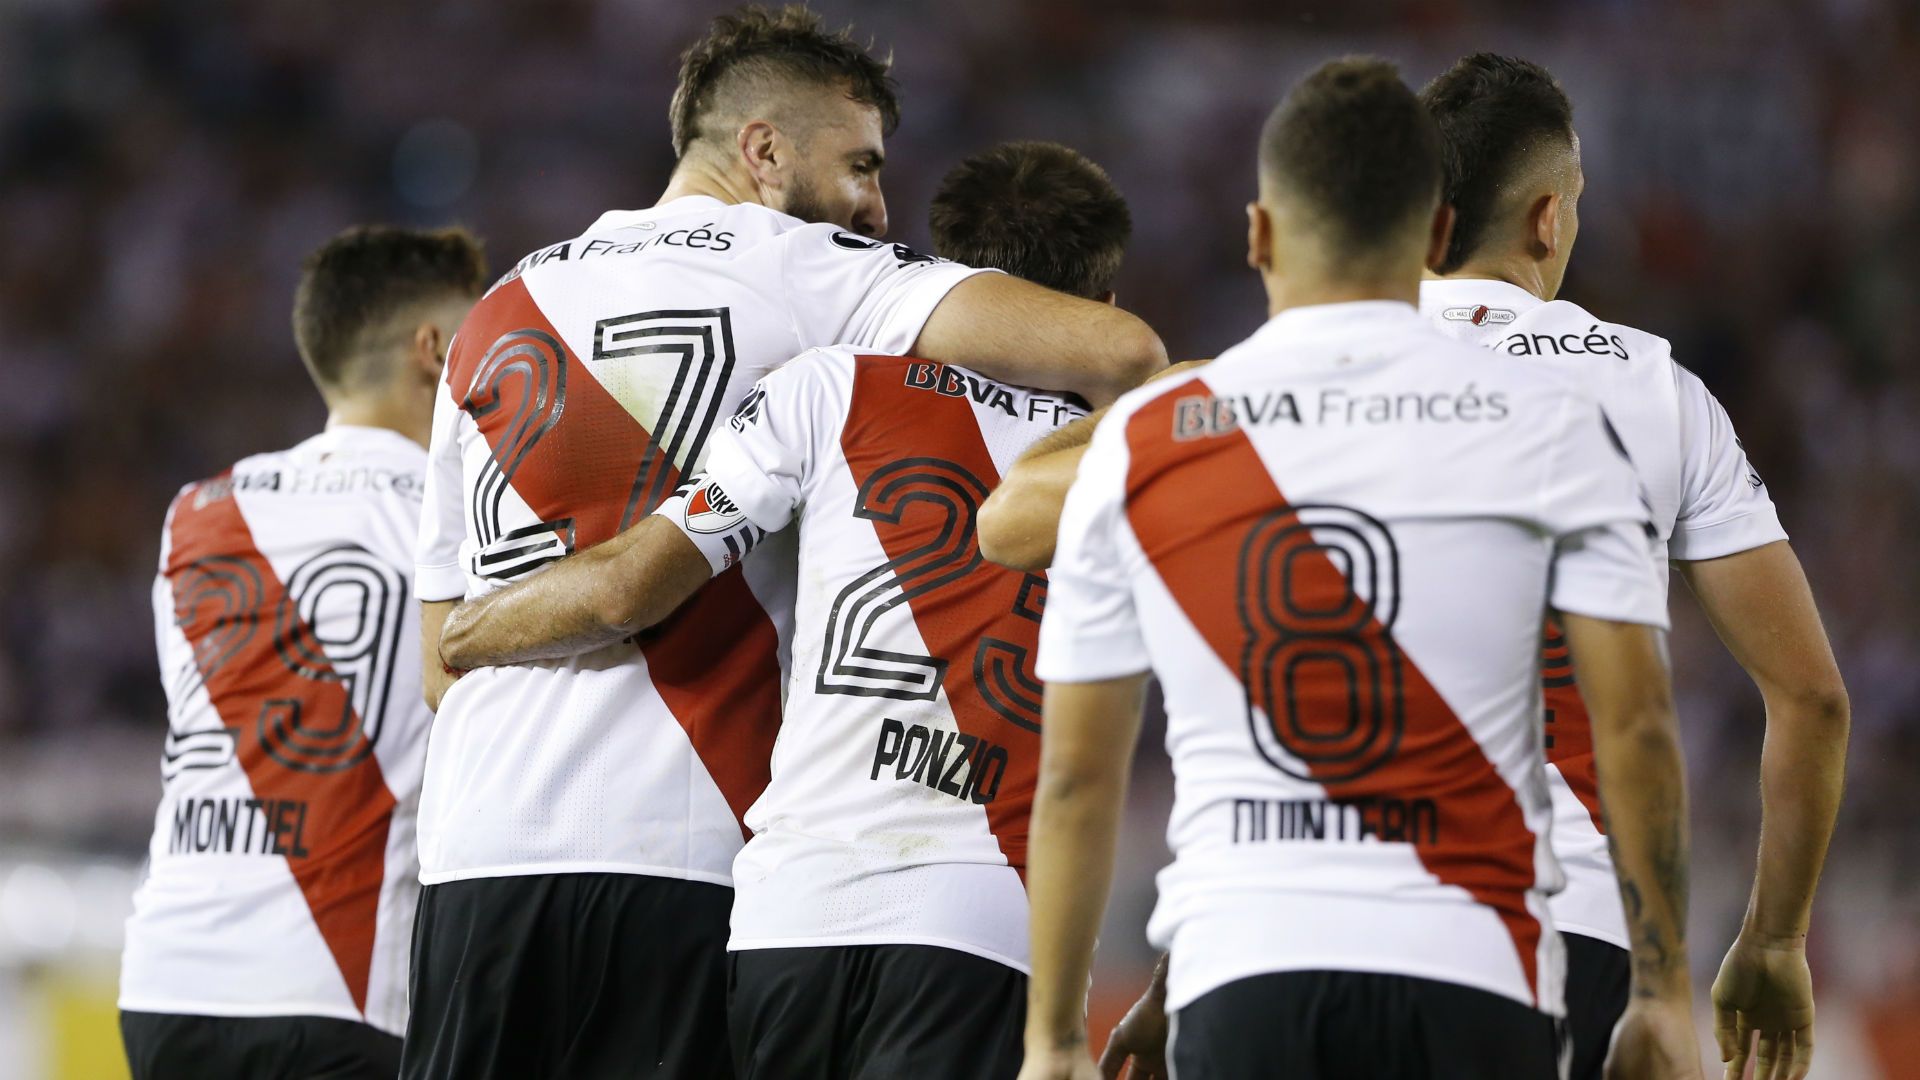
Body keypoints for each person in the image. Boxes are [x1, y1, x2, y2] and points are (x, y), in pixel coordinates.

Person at [404, 5, 1167, 1075]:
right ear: (764, 150)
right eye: (860, 165)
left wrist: (498, 634)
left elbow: (439, 661)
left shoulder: (495, 308)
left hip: (476, 851)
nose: (877, 207)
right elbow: (1120, 352)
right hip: (685, 845)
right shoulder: (809, 270)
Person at [1017, 58, 1700, 1080]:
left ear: (1259, 234)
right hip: (1475, 971)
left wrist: (1054, 1041)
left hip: (1245, 969)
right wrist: (1661, 993)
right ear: (1435, 233)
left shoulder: (1154, 440)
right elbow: (1638, 723)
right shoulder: (1556, 423)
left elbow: (1077, 777)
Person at [1416, 53, 1849, 1080]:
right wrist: (1775, 939)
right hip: (1572, 930)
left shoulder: (1298, 375)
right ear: (1549, 218)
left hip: (1324, 923)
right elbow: (1813, 701)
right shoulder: (1654, 388)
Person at [118, 226, 485, 1080]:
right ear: (434, 350)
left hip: (167, 982)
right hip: (337, 990)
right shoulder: (458, 520)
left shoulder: (197, 511)